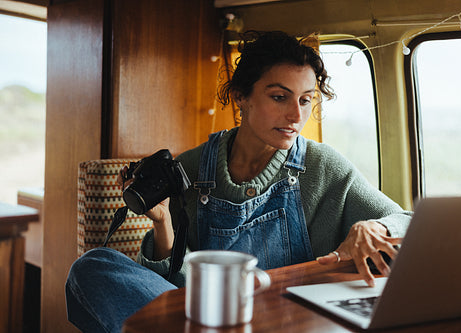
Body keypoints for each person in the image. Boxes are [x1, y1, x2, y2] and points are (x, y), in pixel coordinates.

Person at [66, 30, 412, 332]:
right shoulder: (191, 167)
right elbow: (171, 290)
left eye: (306, 100)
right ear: (241, 96)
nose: (296, 115)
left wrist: (375, 227)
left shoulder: (323, 167)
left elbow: (407, 223)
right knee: (93, 267)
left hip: (290, 323)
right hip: (204, 318)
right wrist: (163, 222)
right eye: (280, 97)